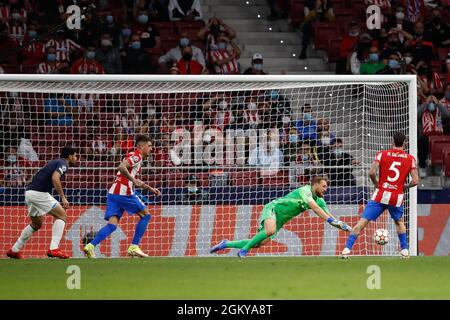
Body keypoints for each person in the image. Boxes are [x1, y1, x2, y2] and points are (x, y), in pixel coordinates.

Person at [210, 175, 352, 257]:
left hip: (281, 220)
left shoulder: (320, 200)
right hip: (273, 209)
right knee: (269, 231)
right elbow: (315, 209)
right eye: (324, 186)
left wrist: (341, 225)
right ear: (315, 185)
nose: (326, 190)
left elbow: (328, 216)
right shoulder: (305, 190)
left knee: (259, 244)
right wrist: (332, 220)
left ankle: (226, 243)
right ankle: (243, 251)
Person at [342, 132, 419, 259]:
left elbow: (372, 172)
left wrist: (377, 184)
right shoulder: (410, 158)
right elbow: (415, 181)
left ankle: (346, 250)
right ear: (404, 143)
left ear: (392, 142)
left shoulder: (382, 154)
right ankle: (405, 250)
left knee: (361, 223)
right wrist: (404, 186)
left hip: (381, 194)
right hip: (396, 196)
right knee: (399, 222)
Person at [83, 135, 161, 258]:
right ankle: (134, 246)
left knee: (112, 225)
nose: (151, 148)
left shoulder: (133, 156)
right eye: (149, 146)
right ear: (141, 146)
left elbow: (133, 178)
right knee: (146, 215)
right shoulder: (137, 156)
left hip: (113, 193)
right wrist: (133, 181)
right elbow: (121, 167)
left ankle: (90, 245)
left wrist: (150, 188)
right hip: (124, 193)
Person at [6, 146, 78, 259]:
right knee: (62, 215)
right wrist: (63, 197)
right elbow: (55, 178)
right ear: (69, 156)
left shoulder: (55, 162)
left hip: (29, 192)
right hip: (39, 193)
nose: (76, 158)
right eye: (75, 155)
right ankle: (54, 249)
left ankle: (15, 249)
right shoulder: (63, 163)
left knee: (36, 224)